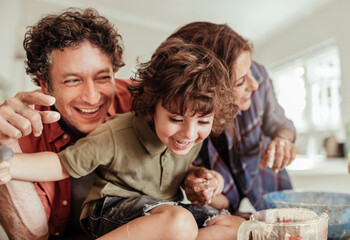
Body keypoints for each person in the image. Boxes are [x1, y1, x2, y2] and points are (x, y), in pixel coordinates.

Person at [1, 37, 245, 239]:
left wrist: (200, 176)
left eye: (202, 122)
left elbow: (172, 169)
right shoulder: (117, 132)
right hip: (113, 209)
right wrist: (9, 165)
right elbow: (60, 164)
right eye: (176, 119)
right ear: (152, 106)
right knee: (180, 223)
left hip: (163, 213)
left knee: (235, 228)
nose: (189, 133)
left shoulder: (188, 133)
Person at [0, 8, 131, 239]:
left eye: (103, 78)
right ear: (45, 84)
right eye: (72, 80)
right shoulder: (22, 129)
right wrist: (3, 146)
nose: (92, 97)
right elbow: (30, 236)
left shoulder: (141, 102)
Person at [170, 22, 297, 214]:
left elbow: (281, 125)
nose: (253, 85)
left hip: (266, 181)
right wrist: (206, 191)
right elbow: (218, 200)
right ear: (209, 91)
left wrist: (284, 140)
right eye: (240, 82)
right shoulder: (181, 126)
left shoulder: (258, 77)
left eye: (250, 72)